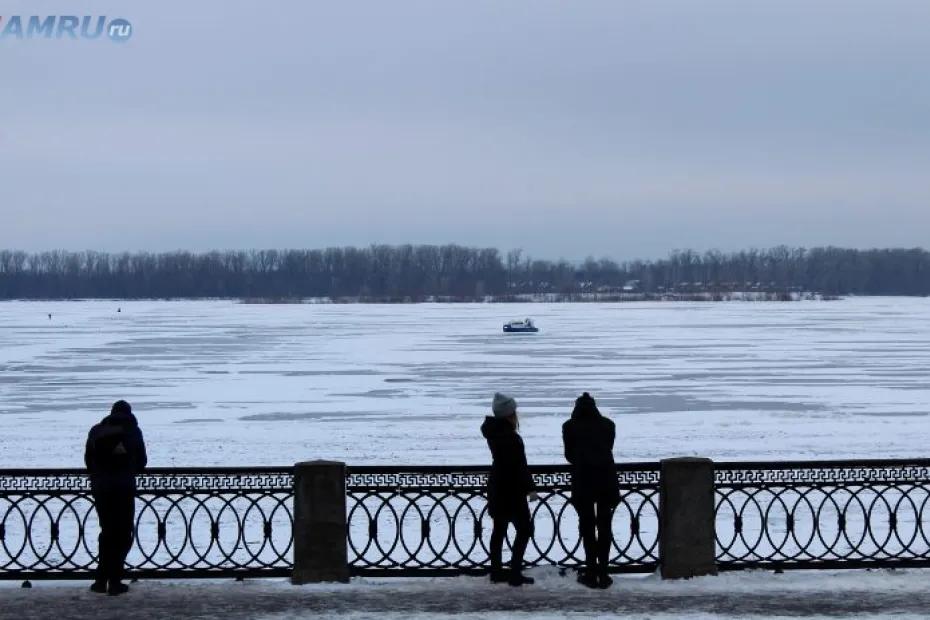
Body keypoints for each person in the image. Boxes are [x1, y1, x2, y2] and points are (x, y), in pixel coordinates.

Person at [84, 400, 147, 596]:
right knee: (123, 534)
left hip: (102, 489)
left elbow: (88, 460)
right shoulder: (133, 431)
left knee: (107, 532)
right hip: (123, 489)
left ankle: (101, 579)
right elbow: (142, 462)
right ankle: (115, 579)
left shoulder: (97, 430)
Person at [562, 392, 620, 589]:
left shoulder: (569, 427)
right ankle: (603, 573)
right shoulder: (608, 425)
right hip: (606, 481)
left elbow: (569, 455)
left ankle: (591, 571)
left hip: (583, 482)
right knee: (604, 527)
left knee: (587, 527)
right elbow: (608, 448)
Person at [481, 392, 536, 586]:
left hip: (498, 487)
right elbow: (519, 465)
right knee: (525, 529)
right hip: (512, 489)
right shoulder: (510, 437)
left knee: (499, 529)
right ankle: (514, 573)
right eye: (514, 411)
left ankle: (496, 572)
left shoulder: (494, 432)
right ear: (509, 414)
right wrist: (530, 488)